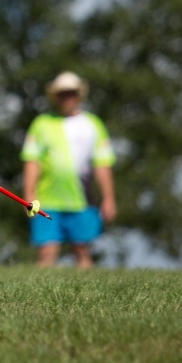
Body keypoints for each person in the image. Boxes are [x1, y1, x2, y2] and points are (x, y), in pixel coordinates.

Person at [21, 71, 117, 268]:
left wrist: (108, 198)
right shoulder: (42, 124)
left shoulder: (93, 124)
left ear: (78, 95)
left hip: (82, 200)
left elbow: (102, 164)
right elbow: (32, 161)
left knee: (82, 251)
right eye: (62, 93)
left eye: (71, 93)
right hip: (47, 199)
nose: (67, 97)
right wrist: (28, 195)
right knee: (46, 252)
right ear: (56, 96)